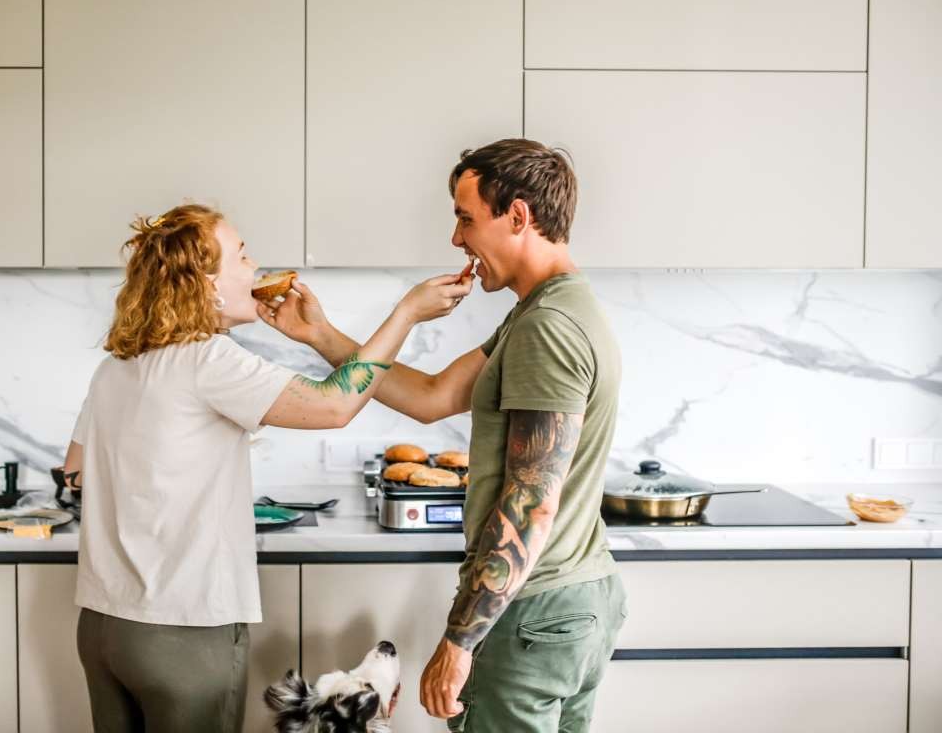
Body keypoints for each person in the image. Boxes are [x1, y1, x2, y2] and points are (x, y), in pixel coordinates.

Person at [59, 203, 471, 733]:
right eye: (242, 255)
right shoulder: (208, 358)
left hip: (103, 628)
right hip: (183, 632)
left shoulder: (115, 368)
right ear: (205, 283)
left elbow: (75, 471)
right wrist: (406, 313)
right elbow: (334, 406)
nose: (254, 267)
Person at [259, 139, 626, 732]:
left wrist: (460, 641)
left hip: (532, 608)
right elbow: (433, 396)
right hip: (574, 600)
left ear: (518, 216)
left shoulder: (549, 327)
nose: (457, 239)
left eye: (466, 218)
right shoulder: (544, 312)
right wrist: (320, 334)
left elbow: (530, 501)